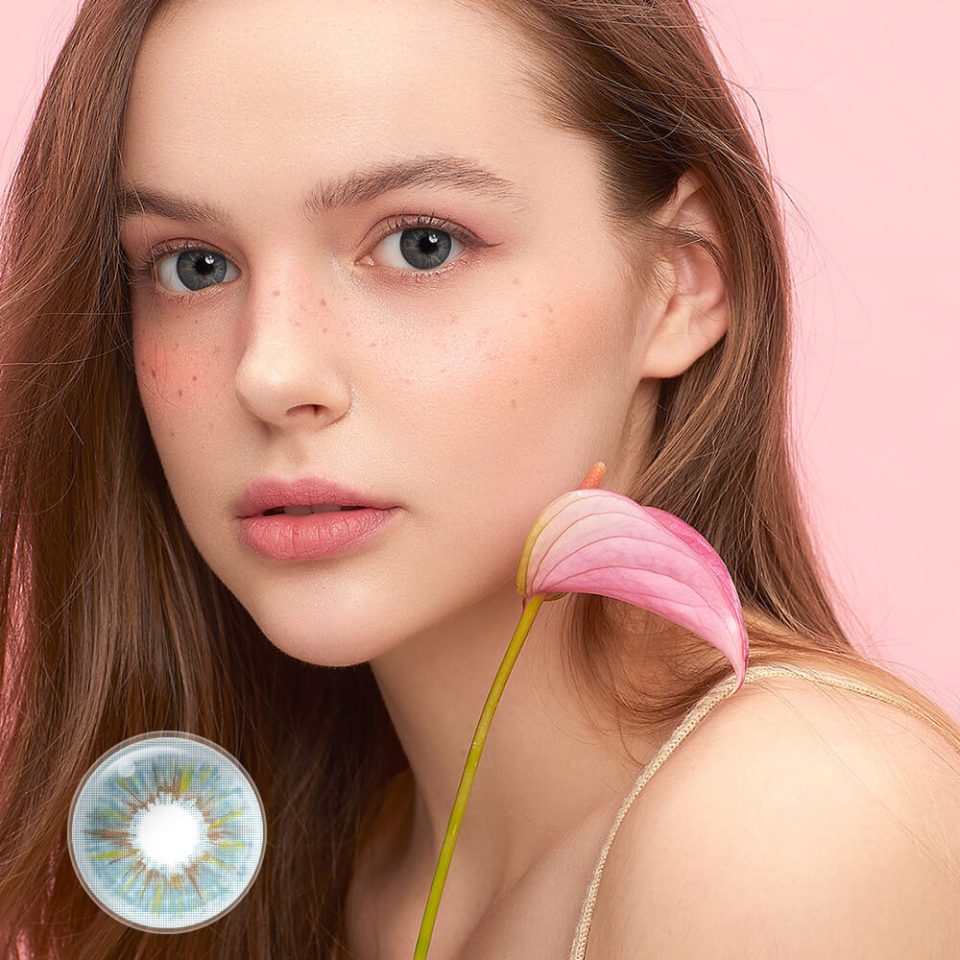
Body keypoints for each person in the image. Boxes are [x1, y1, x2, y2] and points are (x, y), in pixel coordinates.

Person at [0, 0, 958, 957]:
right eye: (194, 266)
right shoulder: (322, 858)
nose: (271, 372)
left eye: (422, 243)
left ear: (679, 282)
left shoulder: (799, 823)